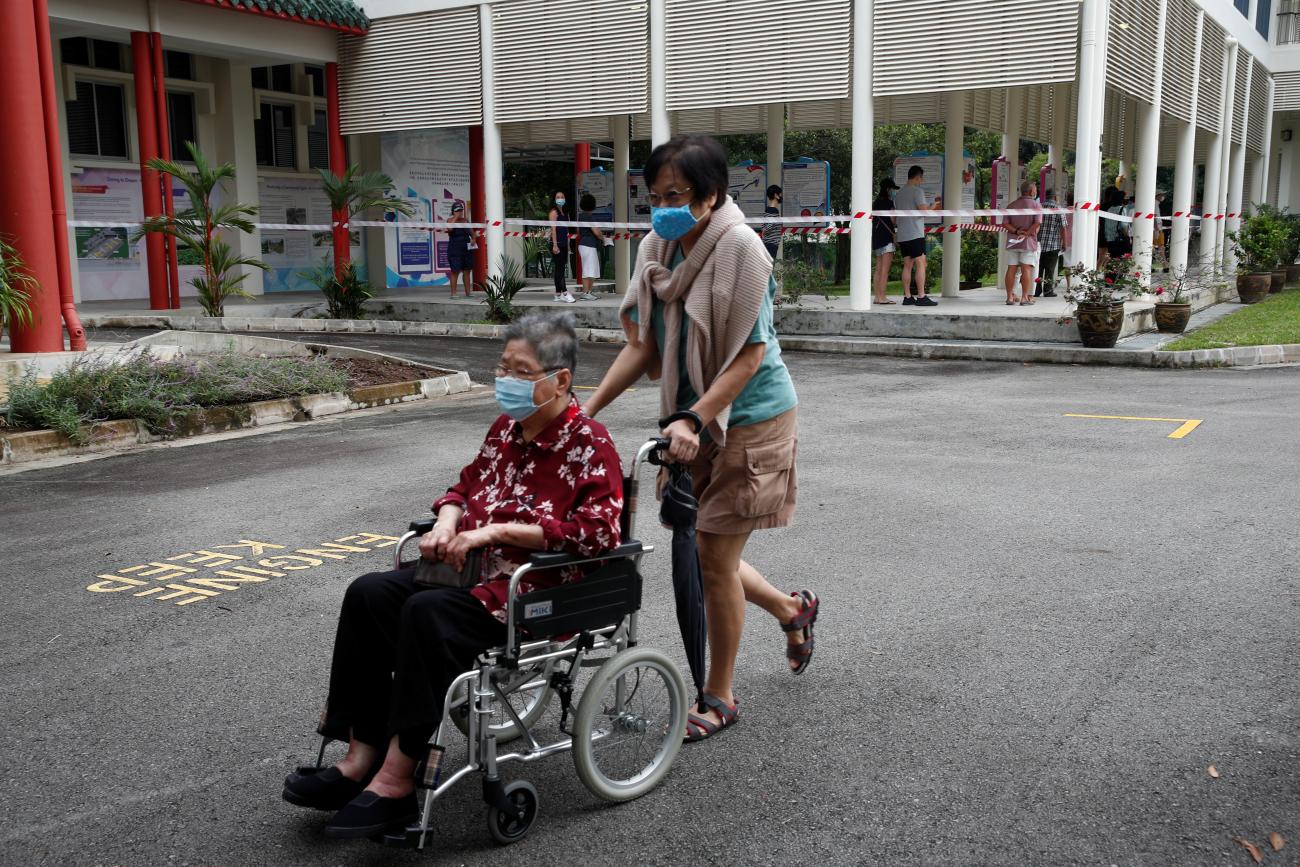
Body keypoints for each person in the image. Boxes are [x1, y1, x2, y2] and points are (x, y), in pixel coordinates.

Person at [282, 313, 623, 839]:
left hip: (533, 589)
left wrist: (498, 532)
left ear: (559, 380)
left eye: (520, 371)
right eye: (503, 367)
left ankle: (399, 777)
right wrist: (446, 523)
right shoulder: (505, 431)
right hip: (467, 574)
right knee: (369, 593)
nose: (506, 380)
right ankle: (359, 755)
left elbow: (598, 534)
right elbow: (464, 487)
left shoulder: (589, 445)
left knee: (427, 613)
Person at [582, 135, 818, 743]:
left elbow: (748, 355)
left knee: (712, 558)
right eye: (653, 195)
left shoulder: (740, 249)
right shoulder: (657, 249)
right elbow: (644, 348)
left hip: (751, 416)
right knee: (712, 553)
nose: (660, 206)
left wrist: (693, 418)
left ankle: (720, 696)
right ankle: (792, 610)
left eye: (675, 196)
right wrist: (586, 410)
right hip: (689, 420)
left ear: (710, 197)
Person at [894, 165, 943, 307]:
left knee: (907, 265)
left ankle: (907, 296)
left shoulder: (899, 194)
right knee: (921, 263)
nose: (921, 180)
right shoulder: (917, 191)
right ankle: (921, 296)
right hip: (915, 233)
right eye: (921, 178)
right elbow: (924, 211)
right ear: (917, 177)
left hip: (903, 233)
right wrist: (934, 205)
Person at [1001, 180, 1043, 306]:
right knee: (1026, 268)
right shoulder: (1036, 205)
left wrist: (1017, 231)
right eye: (1035, 190)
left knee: (1011, 268)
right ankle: (1025, 297)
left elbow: (1005, 223)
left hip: (1013, 241)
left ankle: (1009, 297)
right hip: (1028, 243)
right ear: (1031, 191)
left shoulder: (1011, 205)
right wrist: (1028, 233)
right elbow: (1037, 223)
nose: (1036, 192)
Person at [1036, 187, 1068, 298]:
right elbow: (1063, 228)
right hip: (1053, 244)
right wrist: (1064, 242)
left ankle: (1036, 290)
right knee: (1050, 269)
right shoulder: (1059, 209)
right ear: (1055, 197)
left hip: (1038, 243)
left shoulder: (1039, 207)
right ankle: (1048, 291)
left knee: (1038, 268)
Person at [576, 193, 610, 301]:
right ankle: (585, 293)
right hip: (588, 245)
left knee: (592, 269)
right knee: (588, 269)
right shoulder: (589, 217)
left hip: (585, 244)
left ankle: (589, 292)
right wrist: (603, 238)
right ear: (593, 205)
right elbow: (596, 232)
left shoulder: (581, 216)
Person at [871, 178, 899, 305]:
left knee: (878, 268)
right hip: (887, 237)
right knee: (885, 269)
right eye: (892, 189)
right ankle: (882, 297)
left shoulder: (875, 202)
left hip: (877, 238)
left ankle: (877, 297)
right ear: (888, 189)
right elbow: (893, 220)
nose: (893, 192)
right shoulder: (889, 202)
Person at [549, 191, 576, 303]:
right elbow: (553, 229)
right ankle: (565, 292)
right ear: (554, 199)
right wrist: (555, 245)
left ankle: (557, 294)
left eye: (562, 197)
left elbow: (566, 231)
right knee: (560, 269)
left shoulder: (565, 212)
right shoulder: (553, 212)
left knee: (560, 268)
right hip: (556, 243)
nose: (560, 198)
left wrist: (568, 245)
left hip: (564, 243)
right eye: (558, 197)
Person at [445, 201, 473, 298]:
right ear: (453, 211)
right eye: (457, 210)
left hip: (466, 248)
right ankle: (453, 294)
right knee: (455, 271)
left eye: (461, 210)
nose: (460, 212)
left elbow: (472, 233)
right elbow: (450, 229)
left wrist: (473, 239)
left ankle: (468, 293)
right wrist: (456, 217)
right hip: (455, 248)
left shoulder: (465, 220)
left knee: (467, 270)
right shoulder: (450, 220)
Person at [760, 184, 783, 259]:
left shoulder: (768, 210)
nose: (781, 196)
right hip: (771, 244)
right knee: (768, 269)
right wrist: (764, 231)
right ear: (776, 195)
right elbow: (768, 226)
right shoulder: (773, 211)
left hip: (767, 243)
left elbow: (764, 225)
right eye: (780, 194)